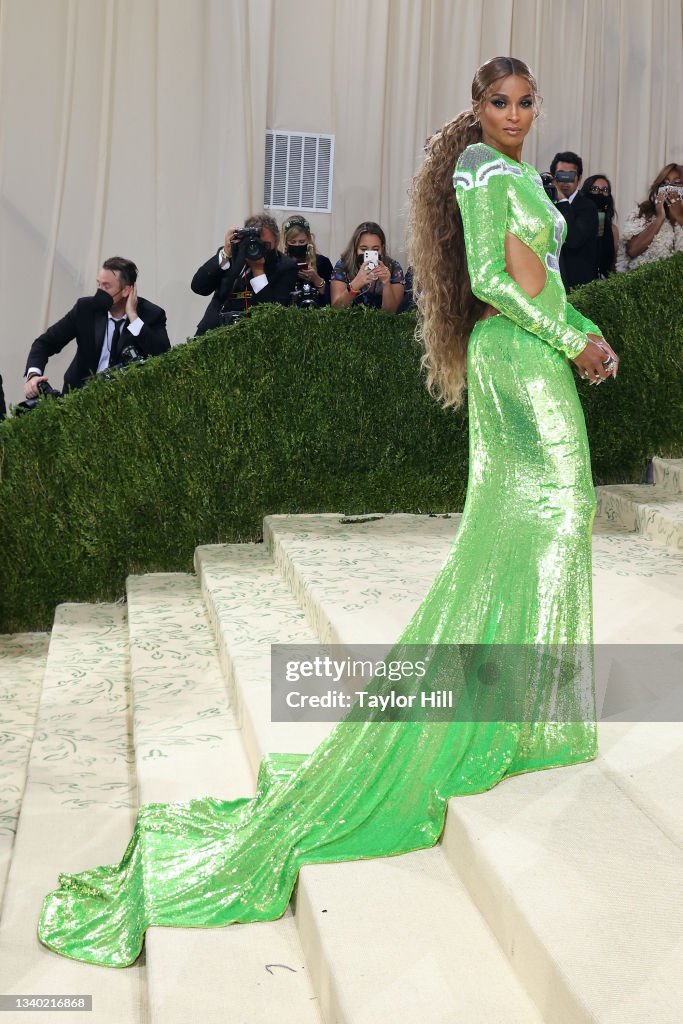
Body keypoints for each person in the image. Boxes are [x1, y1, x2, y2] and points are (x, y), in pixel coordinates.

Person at [37, 57, 619, 968]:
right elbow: (503, 285)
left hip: (532, 353)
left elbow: (532, 274)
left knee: (527, 523)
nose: (514, 115)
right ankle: (511, 703)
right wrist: (577, 336)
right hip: (525, 351)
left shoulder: (513, 175)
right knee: (548, 512)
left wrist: (569, 333)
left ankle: (515, 704)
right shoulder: (480, 170)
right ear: (475, 110)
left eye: (525, 102)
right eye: (499, 103)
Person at [24, 258, 170, 396]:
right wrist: (33, 375)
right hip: (79, 395)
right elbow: (44, 343)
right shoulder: (86, 309)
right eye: (98, 284)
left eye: (106, 286)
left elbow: (163, 355)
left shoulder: (151, 314)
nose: (99, 291)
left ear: (126, 290)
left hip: (126, 401)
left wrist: (133, 316)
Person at [191, 214, 298, 334]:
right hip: (212, 331)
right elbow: (198, 287)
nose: (257, 248)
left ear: (277, 241)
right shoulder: (231, 255)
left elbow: (273, 313)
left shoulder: (285, 267)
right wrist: (225, 255)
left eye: (265, 245)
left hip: (253, 337)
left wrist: (258, 270)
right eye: (253, 243)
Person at [616, 163, 683, 273]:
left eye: (676, 183)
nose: (670, 188)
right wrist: (660, 218)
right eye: (665, 183)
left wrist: (679, 216)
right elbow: (632, 250)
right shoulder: (643, 211)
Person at [550, 150, 599, 289]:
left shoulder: (588, 207)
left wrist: (563, 201)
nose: (565, 181)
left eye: (570, 175)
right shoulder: (544, 203)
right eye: (561, 175)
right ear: (553, 177)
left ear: (579, 178)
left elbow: (573, 239)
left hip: (577, 286)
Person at [330, 222, 405, 312]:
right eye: (364, 249)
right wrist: (355, 284)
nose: (369, 254)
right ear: (355, 249)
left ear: (382, 249)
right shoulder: (343, 266)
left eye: (375, 249)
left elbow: (392, 312)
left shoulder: (393, 267)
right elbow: (336, 309)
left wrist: (386, 284)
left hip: (381, 324)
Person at [280, 214, 333, 306]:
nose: (297, 245)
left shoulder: (322, 263)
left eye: (302, 242)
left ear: (308, 240)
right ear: (285, 242)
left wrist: (316, 279)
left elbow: (331, 300)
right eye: (292, 242)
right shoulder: (279, 263)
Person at [580, 175, 619, 277]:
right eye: (595, 189)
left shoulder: (613, 229)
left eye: (605, 190)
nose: (600, 193)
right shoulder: (575, 223)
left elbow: (614, 264)